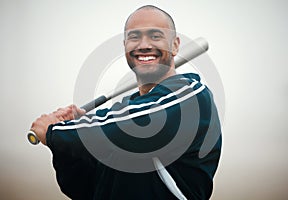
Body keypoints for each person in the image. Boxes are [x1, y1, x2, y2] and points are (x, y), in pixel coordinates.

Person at [30, 5, 222, 200]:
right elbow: (85, 188)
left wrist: (56, 131)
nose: (144, 45)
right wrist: (69, 132)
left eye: (156, 36)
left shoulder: (191, 95)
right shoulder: (120, 117)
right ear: (125, 46)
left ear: (174, 45)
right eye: (134, 37)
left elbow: (134, 124)